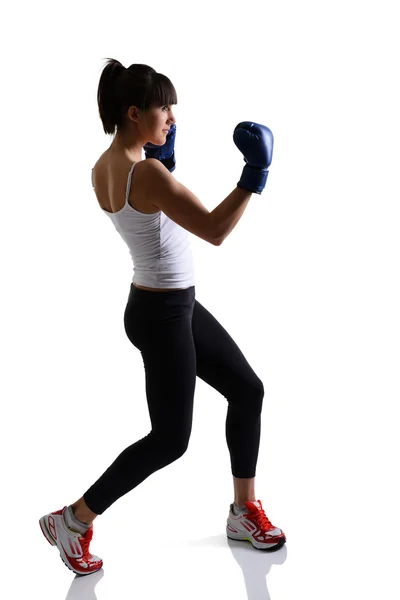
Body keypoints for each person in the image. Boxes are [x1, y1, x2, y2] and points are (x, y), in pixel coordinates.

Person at [39, 59, 286, 576]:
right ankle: (73, 520)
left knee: (247, 390)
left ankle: (244, 510)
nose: (172, 117)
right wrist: (254, 175)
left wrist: (166, 161)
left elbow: (150, 215)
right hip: (165, 314)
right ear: (134, 113)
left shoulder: (105, 166)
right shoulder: (145, 172)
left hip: (163, 304)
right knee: (169, 440)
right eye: (164, 108)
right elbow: (214, 230)